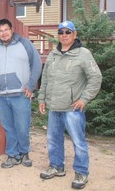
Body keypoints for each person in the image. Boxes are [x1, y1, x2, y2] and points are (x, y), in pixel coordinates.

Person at [38, 21, 102, 189]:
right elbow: (45, 78)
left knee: (78, 142)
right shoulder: (53, 54)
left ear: (75, 34)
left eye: (68, 32)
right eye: (61, 32)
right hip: (54, 107)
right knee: (53, 140)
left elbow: (96, 78)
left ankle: (81, 172)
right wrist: (42, 99)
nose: (64, 35)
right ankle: (57, 166)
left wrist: (84, 99)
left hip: (72, 109)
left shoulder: (84, 54)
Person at [0, 19, 42, 168]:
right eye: (1, 31)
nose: (4, 33)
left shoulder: (25, 44)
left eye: (6, 30)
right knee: (8, 127)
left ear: (12, 29)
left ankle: (24, 153)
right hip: (2, 96)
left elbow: (37, 64)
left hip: (21, 94)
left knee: (22, 126)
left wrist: (31, 86)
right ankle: (12, 155)